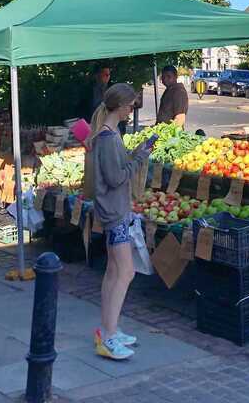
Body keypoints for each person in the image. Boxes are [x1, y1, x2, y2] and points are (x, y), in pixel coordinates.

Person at [89, 82, 155, 361]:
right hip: (115, 213)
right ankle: (108, 336)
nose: (133, 110)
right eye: (131, 105)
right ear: (120, 106)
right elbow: (116, 177)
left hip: (114, 211)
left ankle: (108, 330)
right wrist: (139, 156)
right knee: (125, 273)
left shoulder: (107, 134)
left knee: (113, 272)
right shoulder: (107, 138)